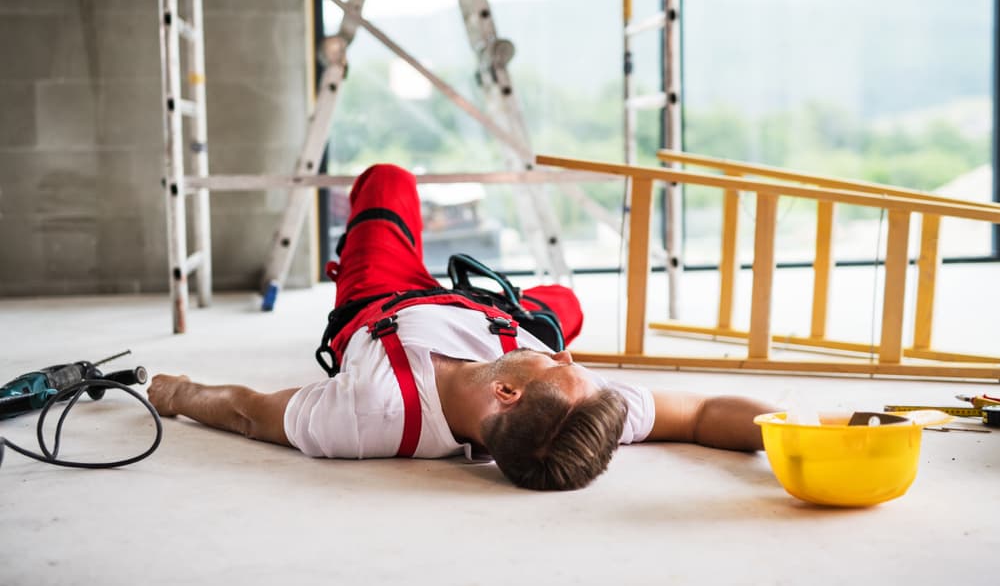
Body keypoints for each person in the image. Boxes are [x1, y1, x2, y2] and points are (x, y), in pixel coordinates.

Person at [148, 164, 776, 491]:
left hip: (384, 299)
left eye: (558, 366)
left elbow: (248, 413)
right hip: (490, 318)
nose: (564, 360)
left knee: (389, 181)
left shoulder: (367, 414)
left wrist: (178, 394)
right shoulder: (578, 408)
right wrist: (798, 434)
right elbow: (699, 414)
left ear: (508, 393)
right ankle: (528, 305)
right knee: (564, 304)